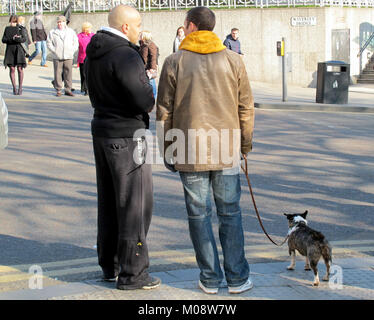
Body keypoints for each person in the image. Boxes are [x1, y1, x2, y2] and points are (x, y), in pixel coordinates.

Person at [156, 7, 255, 294]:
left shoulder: (174, 61)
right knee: (230, 213)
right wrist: (244, 145)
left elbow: (164, 112)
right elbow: (245, 107)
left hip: (188, 147)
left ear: (189, 26)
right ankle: (237, 278)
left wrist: (168, 151)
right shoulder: (233, 59)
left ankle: (210, 278)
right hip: (227, 146)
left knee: (199, 215)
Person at [85, 5, 159, 291]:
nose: (140, 28)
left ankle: (110, 264)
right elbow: (143, 98)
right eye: (138, 23)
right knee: (135, 205)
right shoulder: (125, 54)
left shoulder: (96, 49)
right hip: (128, 134)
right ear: (125, 26)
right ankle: (133, 274)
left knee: (110, 200)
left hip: (102, 129)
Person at [47, 16, 78, 97]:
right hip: (57, 56)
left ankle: (68, 89)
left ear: (65, 22)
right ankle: (58, 89)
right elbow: (49, 43)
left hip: (68, 55)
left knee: (68, 73)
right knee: (57, 73)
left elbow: (75, 42)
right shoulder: (52, 32)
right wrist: (54, 50)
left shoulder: (71, 31)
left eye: (61, 22)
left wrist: (72, 50)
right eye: (58, 22)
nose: (60, 24)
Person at [2, 15, 27, 95]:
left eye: (15, 22)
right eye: (12, 21)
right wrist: (11, 39)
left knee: (20, 69)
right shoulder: (7, 28)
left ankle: (20, 88)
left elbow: (24, 39)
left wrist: (17, 38)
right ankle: (14, 88)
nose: (13, 23)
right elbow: (3, 39)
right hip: (10, 50)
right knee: (12, 69)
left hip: (19, 50)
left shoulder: (21, 28)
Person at [139, 30, 159, 98]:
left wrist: (152, 68)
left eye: (141, 35)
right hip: (144, 67)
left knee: (151, 81)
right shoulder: (142, 44)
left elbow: (153, 56)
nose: (139, 36)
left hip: (149, 68)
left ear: (145, 36)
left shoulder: (151, 44)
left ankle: (154, 97)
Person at [77, 22, 94, 95]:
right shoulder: (79, 36)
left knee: (90, 74)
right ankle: (84, 88)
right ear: (85, 29)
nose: (90, 29)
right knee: (83, 74)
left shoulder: (93, 35)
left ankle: (88, 89)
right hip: (82, 57)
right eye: (88, 28)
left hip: (91, 57)